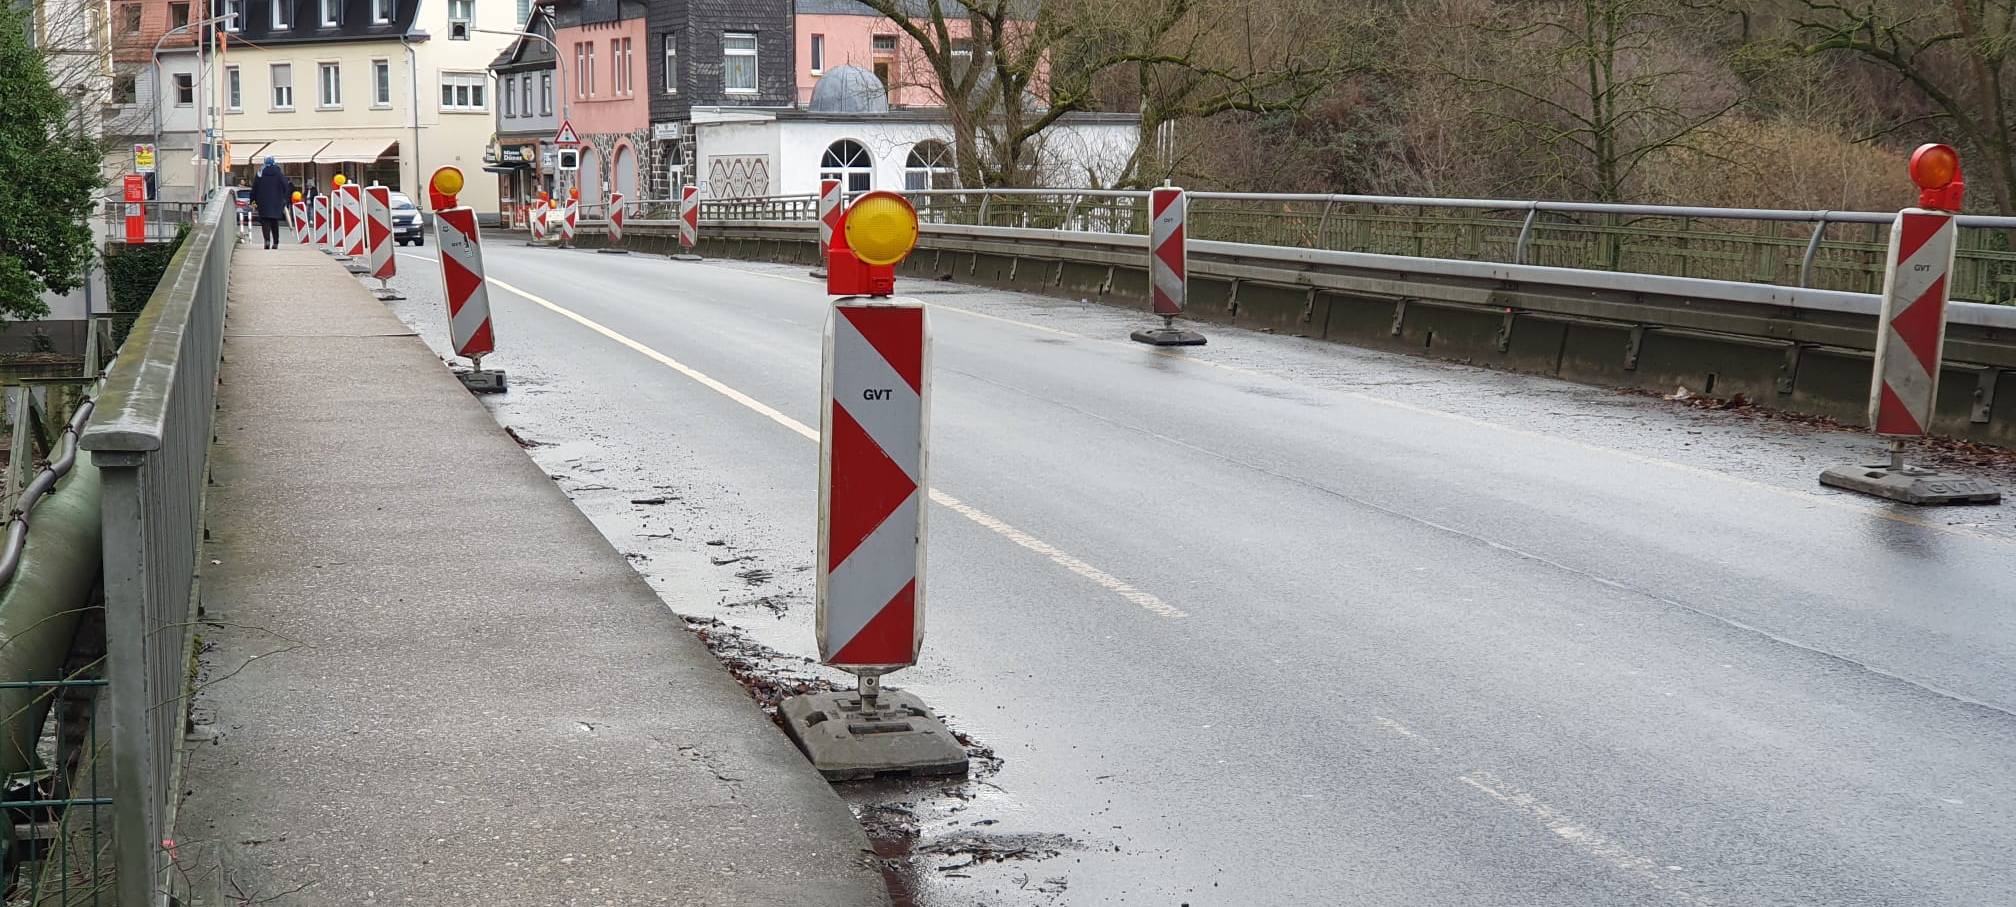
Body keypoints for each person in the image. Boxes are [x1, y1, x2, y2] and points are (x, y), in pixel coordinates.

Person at [250, 156, 294, 249]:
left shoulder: (260, 173)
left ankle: (267, 240)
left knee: (265, 222)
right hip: (277, 203)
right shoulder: (279, 173)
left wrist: (253, 202)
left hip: (263, 203)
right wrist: (284, 199)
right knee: (274, 223)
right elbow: (286, 187)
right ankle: (276, 242)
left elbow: (254, 189)